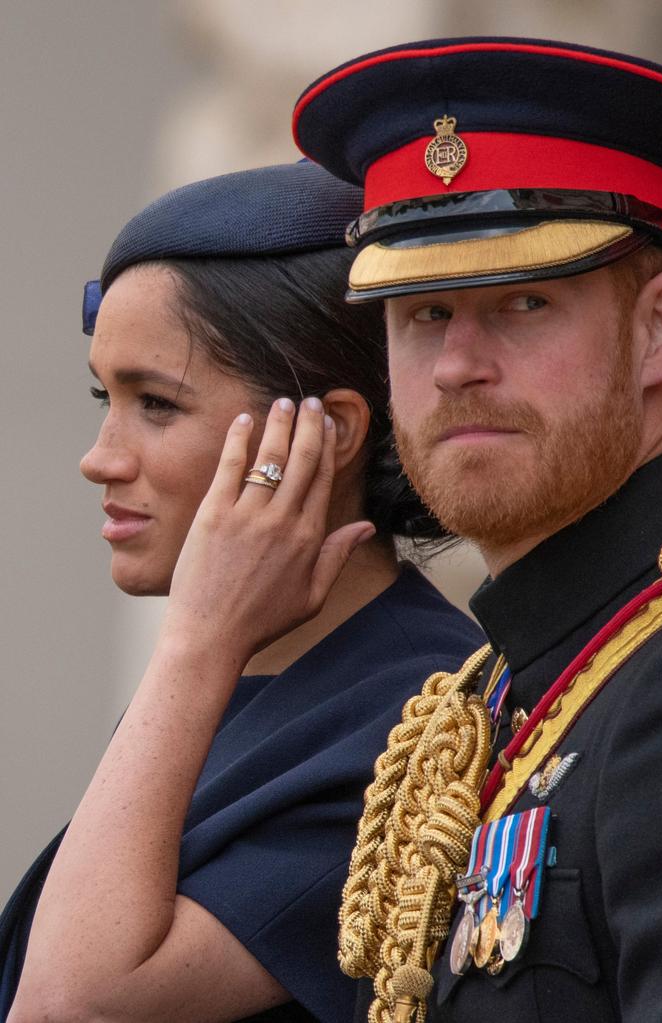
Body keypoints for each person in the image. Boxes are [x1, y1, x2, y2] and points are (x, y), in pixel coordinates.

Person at [293, 37, 662, 1023]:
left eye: (522, 301)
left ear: (661, 329)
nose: (460, 362)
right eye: (423, 314)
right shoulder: (492, 691)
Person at [0, 160, 483, 1023]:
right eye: (102, 397)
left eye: (155, 403)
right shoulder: (246, 673)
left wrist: (195, 640)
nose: (99, 456)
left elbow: (70, 1004)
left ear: (327, 432)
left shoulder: (419, 716)